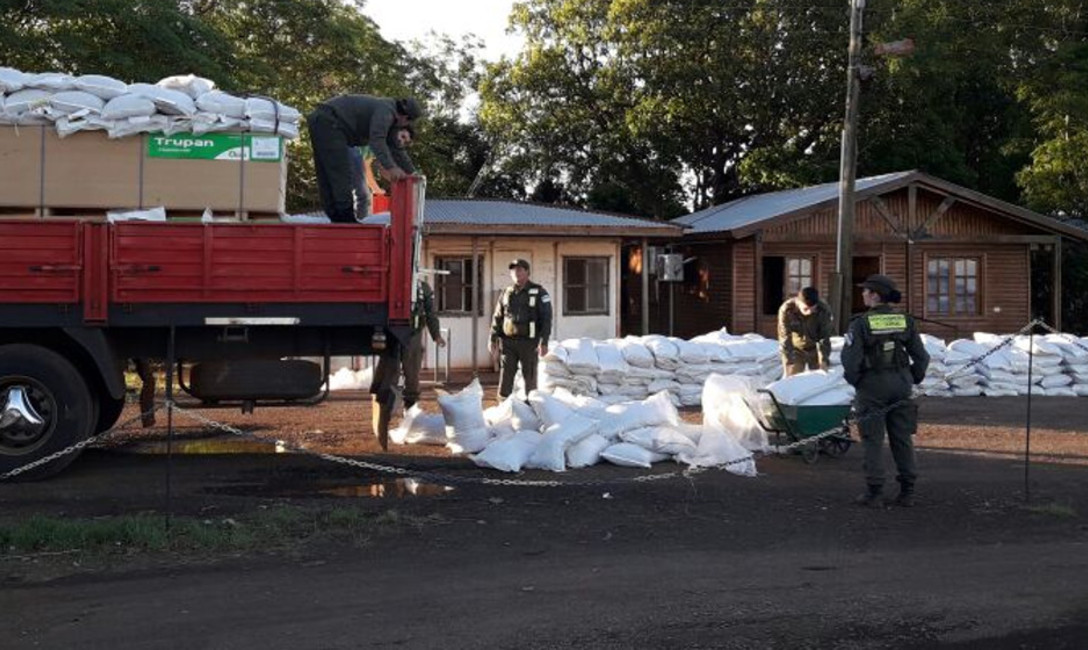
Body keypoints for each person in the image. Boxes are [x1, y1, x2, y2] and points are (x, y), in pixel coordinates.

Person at [841, 274, 930, 508]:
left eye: (865, 291)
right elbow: (921, 356)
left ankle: (875, 492)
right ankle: (907, 491)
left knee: (872, 439)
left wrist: (859, 382)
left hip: (873, 386)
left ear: (875, 295)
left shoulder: (860, 324)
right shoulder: (905, 321)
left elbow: (850, 361)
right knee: (902, 438)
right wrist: (911, 377)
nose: (862, 294)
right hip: (901, 383)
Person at [307, 95, 422, 223]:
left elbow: (396, 148)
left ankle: (337, 218)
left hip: (323, 121)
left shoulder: (390, 116)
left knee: (327, 171)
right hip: (330, 122)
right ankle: (345, 219)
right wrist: (391, 167)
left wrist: (413, 173)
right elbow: (377, 140)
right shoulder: (386, 111)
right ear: (405, 118)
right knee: (338, 172)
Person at [489, 259, 552, 400]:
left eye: (519, 269)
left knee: (529, 377)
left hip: (529, 343)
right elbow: (498, 317)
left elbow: (546, 319)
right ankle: (504, 408)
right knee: (506, 377)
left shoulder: (539, 292)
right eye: (513, 270)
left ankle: (532, 408)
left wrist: (544, 342)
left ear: (527, 272)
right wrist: (492, 338)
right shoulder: (506, 292)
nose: (516, 273)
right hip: (508, 343)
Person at [349, 125, 415, 221]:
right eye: (402, 136)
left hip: (349, 151)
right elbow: (365, 167)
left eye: (405, 142)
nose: (402, 141)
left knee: (361, 196)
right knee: (364, 196)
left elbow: (383, 169)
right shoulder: (380, 138)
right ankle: (359, 230)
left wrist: (400, 183)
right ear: (396, 131)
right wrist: (376, 188)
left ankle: (356, 223)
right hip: (346, 146)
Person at [777, 286, 834, 377]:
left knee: (819, 378)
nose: (809, 312)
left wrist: (823, 360)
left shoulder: (823, 309)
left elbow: (824, 337)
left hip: (815, 347)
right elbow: (785, 338)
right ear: (799, 303)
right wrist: (788, 363)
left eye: (813, 309)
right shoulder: (787, 310)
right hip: (796, 349)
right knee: (792, 378)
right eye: (806, 309)